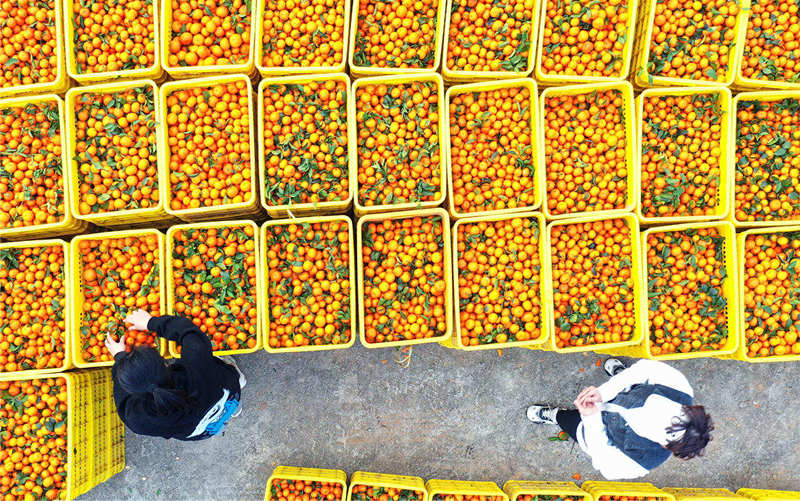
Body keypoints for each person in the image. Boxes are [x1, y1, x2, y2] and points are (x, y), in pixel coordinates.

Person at [526, 358, 713, 480]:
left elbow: (603, 459)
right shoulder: (679, 387)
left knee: (570, 422)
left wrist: (591, 419)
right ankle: (620, 374)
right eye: (652, 403)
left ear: (665, 446)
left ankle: (556, 415)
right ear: (686, 407)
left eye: (646, 420)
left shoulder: (642, 461)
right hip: (626, 392)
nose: (642, 409)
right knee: (630, 381)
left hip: (593, 429)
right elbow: (646, 369)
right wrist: (604, 392)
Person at [105, 309, 247, 441]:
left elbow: (122, 402)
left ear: (131, 390)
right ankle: (237, 397)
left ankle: (231, 411)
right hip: (229, 392)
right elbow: (191, 334)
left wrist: (120, 358)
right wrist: (151, 322)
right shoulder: (196, 366)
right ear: (166, 364)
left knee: (221, 411)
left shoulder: (138, 419)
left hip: (202, 431)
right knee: (228, 386)